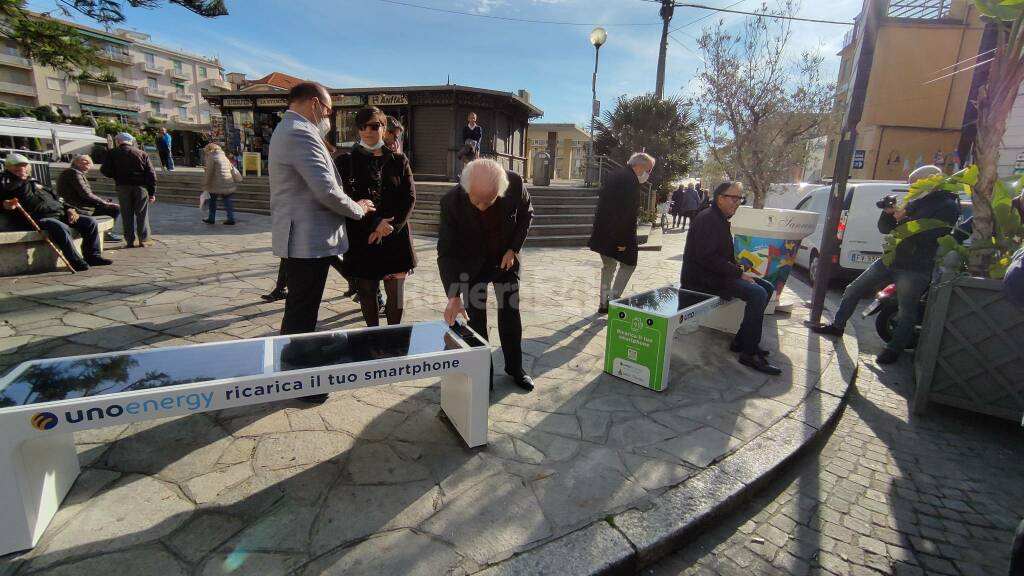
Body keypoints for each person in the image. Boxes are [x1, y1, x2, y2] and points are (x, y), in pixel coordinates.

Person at [270, 81, 375, 404]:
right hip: (307, 238)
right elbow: (326, 190)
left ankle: (293, 370)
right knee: (302, 312)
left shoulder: (287, 129)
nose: (328, 117)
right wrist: (359, 208)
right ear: (315, 104)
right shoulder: (300, 132)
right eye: (328, 110)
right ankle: (299, 380)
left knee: (300, 308)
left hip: (301, 236)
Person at [812, 165, 960, 364]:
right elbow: (886, 229)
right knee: (853, 289)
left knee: (906, 310)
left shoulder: (947, 206)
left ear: (931, 180)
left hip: (916, 266)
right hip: (891, 259)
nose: (911, 187)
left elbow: (932, 235)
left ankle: (893, 349)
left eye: (914, 183)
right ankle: (837, 326)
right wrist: (889, 213)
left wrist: (904, 218)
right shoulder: (916, 201)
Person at [438, 158, 535, 391]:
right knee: (476, 322)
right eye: (477, 201)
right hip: (472, 266)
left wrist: (514, 248)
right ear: (466, 188)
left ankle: (515, 368)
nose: (482, 206)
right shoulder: (451, 202)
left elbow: (526, 215)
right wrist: (453, 296)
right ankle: (483, 374)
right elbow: (446, 253)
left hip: (505, 260)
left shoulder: (514, 184)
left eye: (489, 201)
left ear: (501, 190)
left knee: (511, 314)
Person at [681, 181, 782, 376]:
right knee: (757, 293)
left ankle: (741, 341)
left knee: (767, 287)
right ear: (720, 198)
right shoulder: (707, 219)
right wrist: (739, 273)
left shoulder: (719, 218)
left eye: (740, 199)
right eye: (734, 198)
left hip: (715, 275)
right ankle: (749, 354)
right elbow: (706, 258)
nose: (738, 203)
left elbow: (721, 257)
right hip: (701, 279)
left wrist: (739, 270)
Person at [336, 106, 417, 326]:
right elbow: (345, 199)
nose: (368, 131)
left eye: (373, 126)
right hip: (363, 236)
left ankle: (393, 337)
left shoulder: (399, 161)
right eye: (362, 127)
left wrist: (389, 227)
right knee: (367, 291)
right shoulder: (346, 162)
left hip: (395, 237)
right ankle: (372, 336)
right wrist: (374, 225)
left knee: (396, 295)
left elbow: (409, 198)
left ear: (384, 128)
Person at [2, 153, 111, 271]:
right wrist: (5, 205)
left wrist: (69, 209)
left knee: (89, 222)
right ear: (8, 167)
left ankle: (93, 256)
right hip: (37, 217)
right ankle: (76, 261)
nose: (22, 168)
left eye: (24, 166)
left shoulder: (35, 181)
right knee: (60, 226)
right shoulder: (6, 183)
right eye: (17, 166)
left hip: (59, 213)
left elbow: (58, 198)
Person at [589, 152, 655, 314]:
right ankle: (613, 301)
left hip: (603, 233)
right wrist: (622, 241)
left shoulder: (617, 174)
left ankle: (604, 303)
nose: (648, 174)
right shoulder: (629, 181)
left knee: (608, 267)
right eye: (649, 170)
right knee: (629, 265)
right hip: (618, 236)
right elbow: (624, 214)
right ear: (640, 166)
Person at [100, 132, 157, 248]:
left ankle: (129, 240)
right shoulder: (142, 153)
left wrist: (116, 174)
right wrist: (152, 192)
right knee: (142, 214)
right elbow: (151, 174)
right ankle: (144, 239)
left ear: (118, 141)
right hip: (140, 187)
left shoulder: (111, 153)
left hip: (122, 186)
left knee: (126, 214)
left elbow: (105, 170)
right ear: (131, 141)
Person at [57, 154, 122, 242]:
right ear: (76, 162)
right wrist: (104, 202)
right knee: (114, 209)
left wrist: (101, 202)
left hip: (80, 205)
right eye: (84, 161)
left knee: (110, 207)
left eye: (89, 162)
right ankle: (106, 234)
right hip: (77, 207)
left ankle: (106, 233)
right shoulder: (73, 173)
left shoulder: (75, 173)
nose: (87, 163)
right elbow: (86, 194)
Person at [201, 143, 241, 225]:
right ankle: (231, 218)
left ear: (209, 149)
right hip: (227, 182)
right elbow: (230, 168)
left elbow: (209, 172)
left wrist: (205, 183)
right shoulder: (224, 157)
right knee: (227, 201)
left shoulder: (212, 157)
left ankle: (211, 218)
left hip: (216, 183)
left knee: (212, 201)